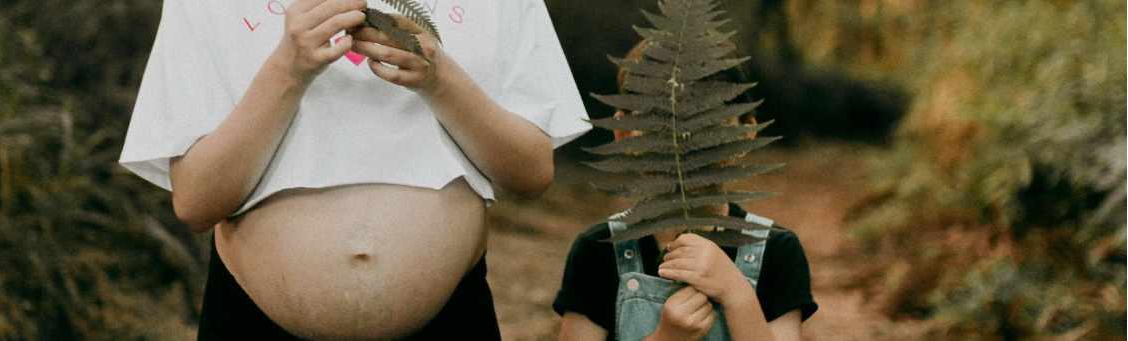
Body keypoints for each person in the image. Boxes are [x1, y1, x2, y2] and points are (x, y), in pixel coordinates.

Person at [117, 0, 590, 339]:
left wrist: (440, 78)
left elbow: (532, 173)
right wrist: (288, 68)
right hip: (253, 321)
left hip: (448, 320)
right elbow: (196, 203)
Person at [553, 41, 817, 341]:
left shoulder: (777, 252)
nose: (683, 140)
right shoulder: (598, 251)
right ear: (625, 132)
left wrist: (737, 294)